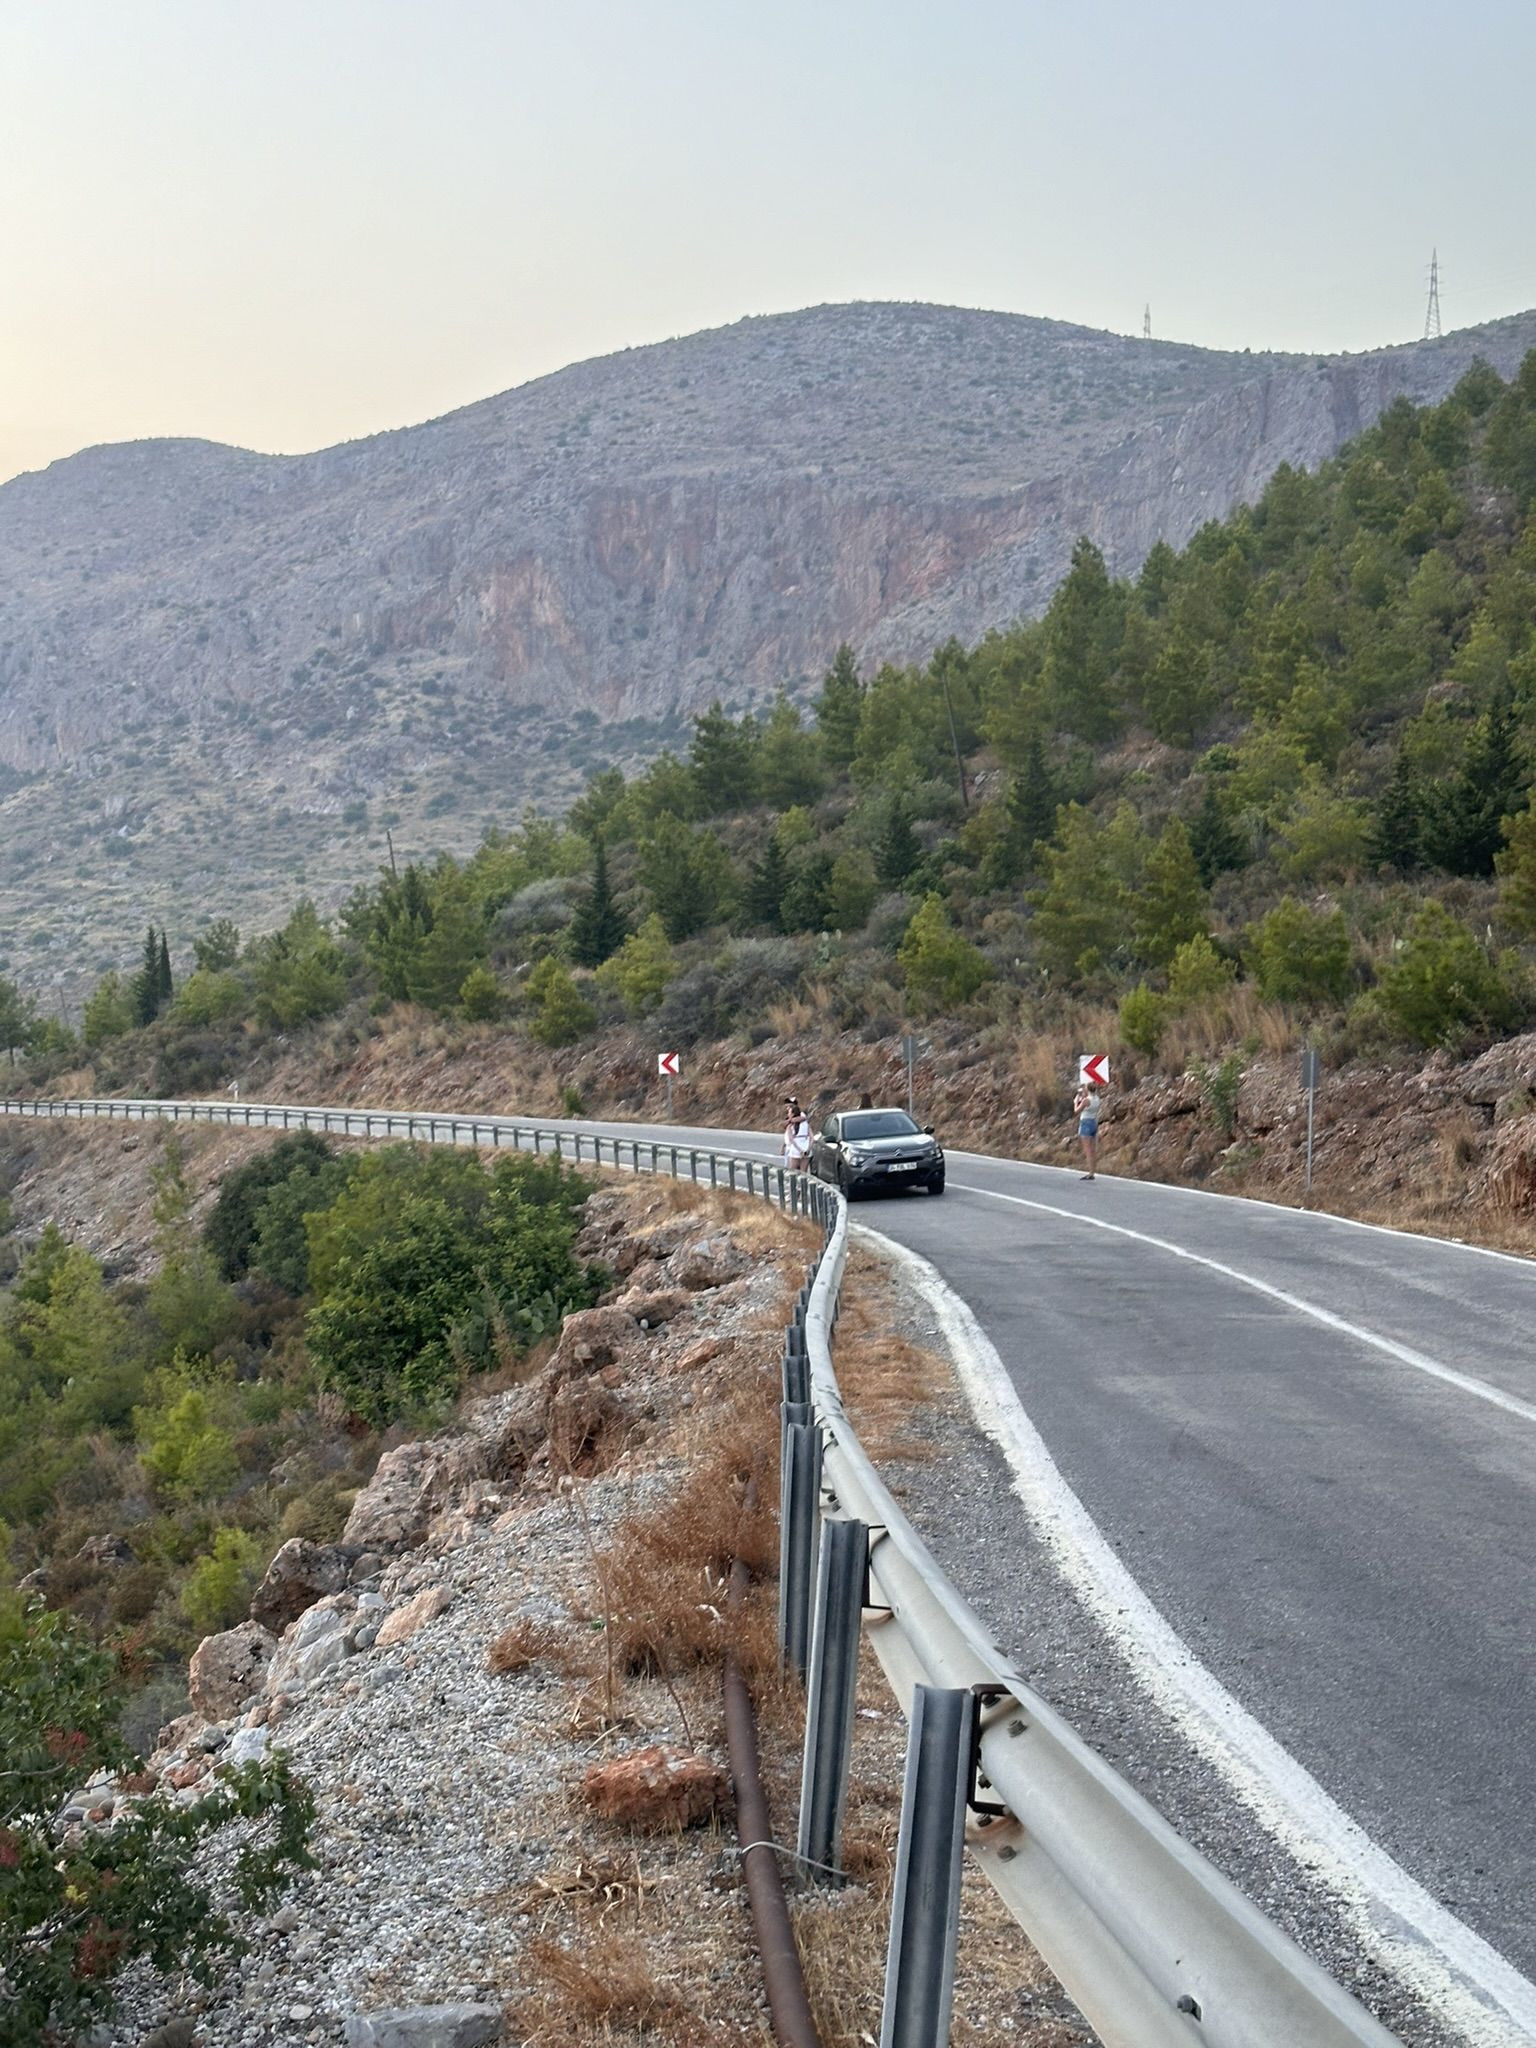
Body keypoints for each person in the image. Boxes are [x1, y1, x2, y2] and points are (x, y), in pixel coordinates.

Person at [1073, 1082, 1101, 1180]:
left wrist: (1076, 1102)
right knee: (1093, 1150)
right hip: (1094, 1122)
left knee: (1088, 1150)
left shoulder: (1086, 1101)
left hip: (1085, 1123)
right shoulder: (1097, 1099)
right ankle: (1093, 1171)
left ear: (1087, 1089)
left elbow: (1076, 1111)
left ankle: (1090, 1173)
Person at [783, 1096, 811, 1173]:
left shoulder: (801, 1115)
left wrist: (790, 1120)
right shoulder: (789, 1118)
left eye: (788, 1106)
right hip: (790, 1146)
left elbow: (802, 1119)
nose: (787, 1108)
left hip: (795, 1147)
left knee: (794, 1170)